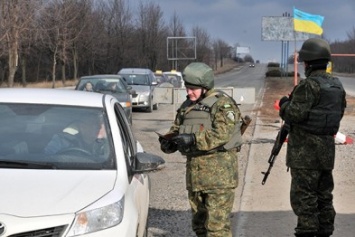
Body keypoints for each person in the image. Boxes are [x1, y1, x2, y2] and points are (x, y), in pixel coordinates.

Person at [158, 62, 243, 237]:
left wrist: (193, 139)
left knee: (216, 229)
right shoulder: (186, 106)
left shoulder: (223, 104)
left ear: (205, 86)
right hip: (195, 178)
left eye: (193, 89)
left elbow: (222, 134)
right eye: (187, 88)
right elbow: (176, 129)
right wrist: (170, 142)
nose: (189, 92)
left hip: (219, 179)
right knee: (200, 226)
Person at [278, 38, 347, 237]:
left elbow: (294, 114)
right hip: (326, 152)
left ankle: (307, 232)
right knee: (324, 196)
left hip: (304, 154)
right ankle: (325, 231)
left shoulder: (308, 86)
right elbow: (338, 113)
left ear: (308, 63)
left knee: (305, 198)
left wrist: (284, 104)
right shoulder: (336, 85)